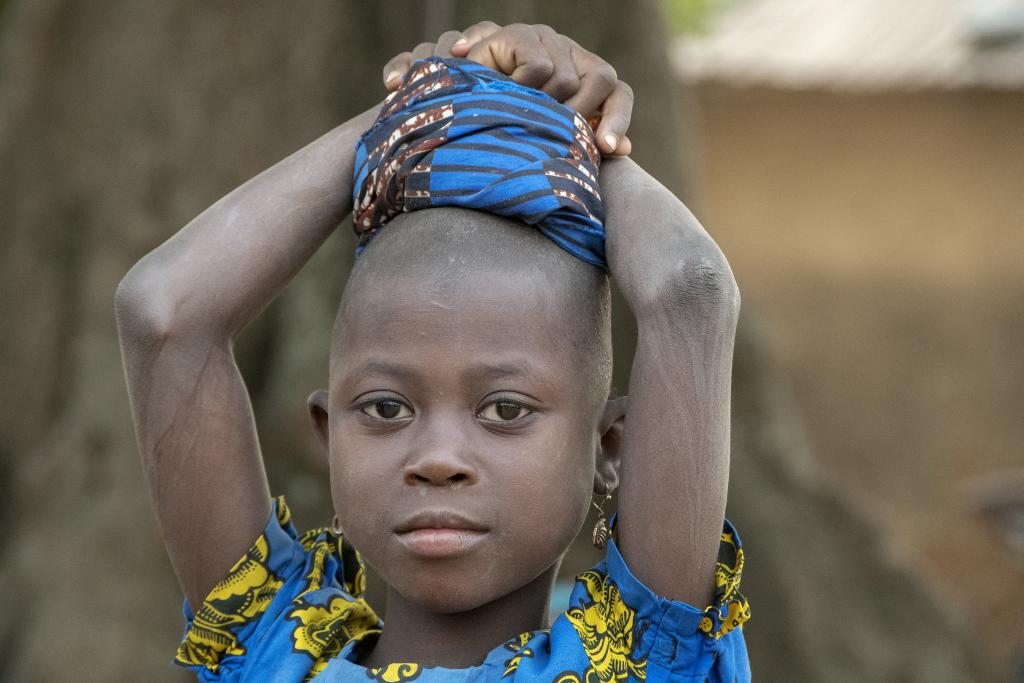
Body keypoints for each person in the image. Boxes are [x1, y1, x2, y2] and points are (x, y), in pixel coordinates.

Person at [115, 21, 750, 682]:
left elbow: (691, 292)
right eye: (387, 406)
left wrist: (581, 133)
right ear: (329, 434)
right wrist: (417, 104)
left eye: (505, 408)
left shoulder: (639, 661)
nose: (438, 459)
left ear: (610, 446)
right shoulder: (276, 653)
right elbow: (161, 313)